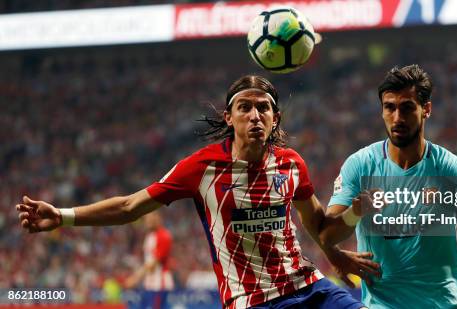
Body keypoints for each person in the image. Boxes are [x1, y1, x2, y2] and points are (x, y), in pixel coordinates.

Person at [16, 75, 377, 309]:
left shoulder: (291, 163)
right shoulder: (201, 168)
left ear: (275, 118)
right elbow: (130, 206)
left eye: (263, 108)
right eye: (245, 108)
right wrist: (63, 216)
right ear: (228, 117)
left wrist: (339, 250)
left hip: (308, 288)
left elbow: (317, 225)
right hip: (251, 302)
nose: (255, 115)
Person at [320, 65, 457, 308]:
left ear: (426, 109)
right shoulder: (360, 165)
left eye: (406, 108)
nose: (397, 118)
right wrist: (355, 212)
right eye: (389, 107)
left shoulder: (449, 167)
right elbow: (327, 234)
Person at [124, 211, 174, 309]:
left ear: (157, 218)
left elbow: (154, 262)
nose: (146, 220)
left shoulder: (164, 235)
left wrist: (135, 278)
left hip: (159, 284)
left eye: (149, 217)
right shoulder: (150, 236)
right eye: (146, 218)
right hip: (149, 282)